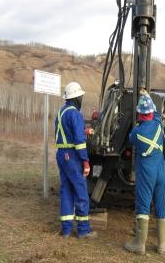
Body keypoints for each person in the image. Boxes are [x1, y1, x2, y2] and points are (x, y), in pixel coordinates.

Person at [125, 90, 165, 255]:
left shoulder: (136, 132)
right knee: (160, 203)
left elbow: (130, 139)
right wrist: (148, 97)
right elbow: (157, 113)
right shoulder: (158, 123)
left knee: (143, 203)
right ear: (151, 112)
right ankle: (162, 244)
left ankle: (139, 244)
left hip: (147, 172)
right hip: (160, 172)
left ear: (139, 114)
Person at [55, 81, 97, 239]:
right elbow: (79, 143)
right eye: (80, 97)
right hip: (72, 156)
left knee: (66, 190)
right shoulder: (76, 114)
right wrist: (85, 161)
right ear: (76, 98)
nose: (81, 99)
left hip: (61, 155)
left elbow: (66, 133)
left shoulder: (61, 112)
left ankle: (66, 229)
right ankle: (83, 230)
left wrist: (84, 130)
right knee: (81, 191)